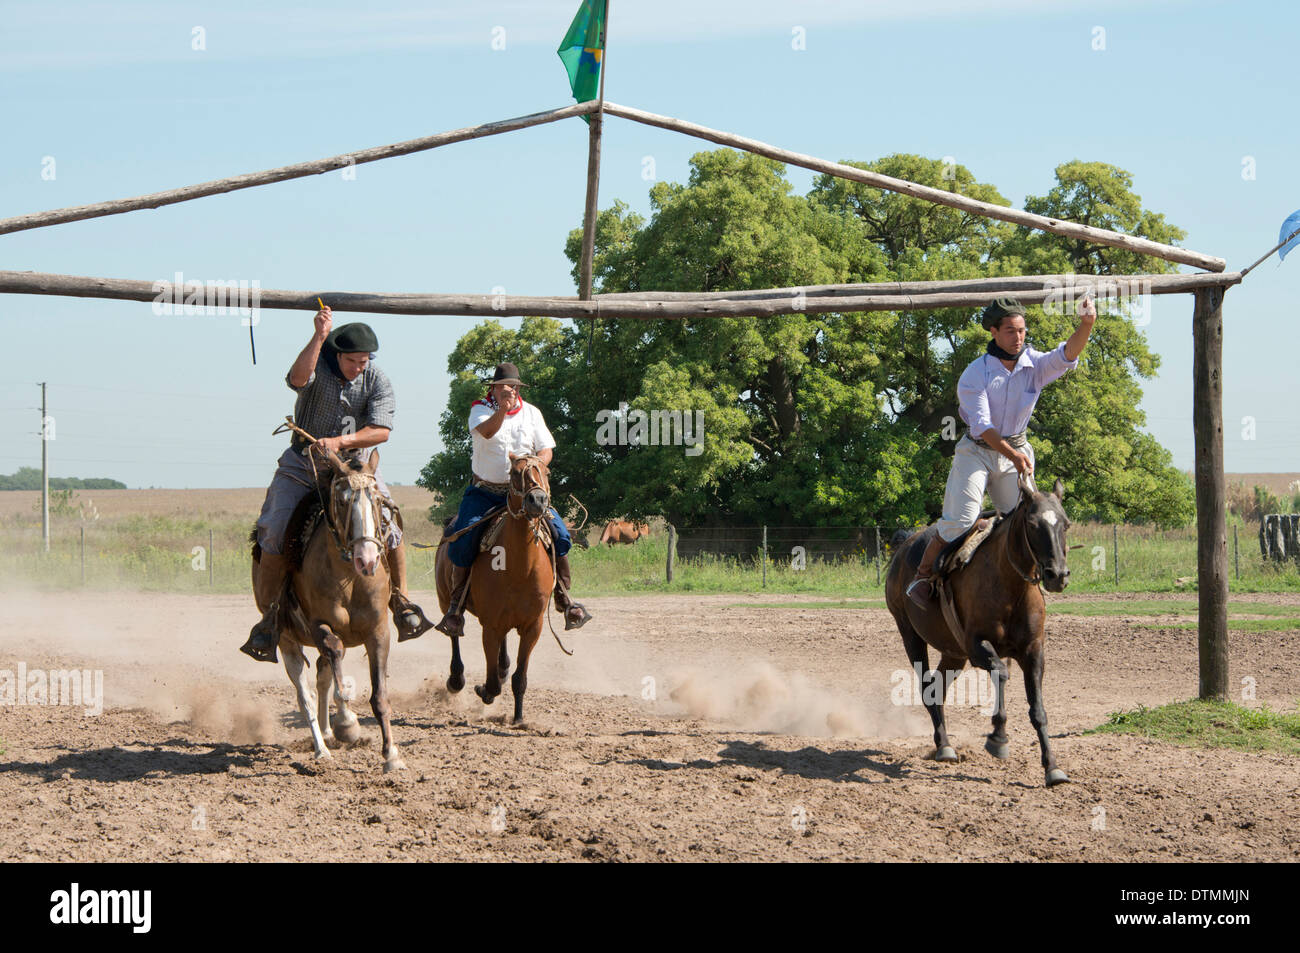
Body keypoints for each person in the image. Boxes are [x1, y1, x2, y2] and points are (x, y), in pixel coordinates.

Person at [241, 305, 432, 661]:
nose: (360, 367)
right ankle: (270, 619)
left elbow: (382, 431)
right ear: (337, 355)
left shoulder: (377, 379)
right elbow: (297, 379)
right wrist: (319, 335)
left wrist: (340, 443)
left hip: (354, 468)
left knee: (390, 524)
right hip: (303, 464)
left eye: (364, 360)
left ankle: (402, 604)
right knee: (273, 528)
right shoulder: (319, 366)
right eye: (353, 361)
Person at [906, 295, 1096, 608]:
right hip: (977, 453)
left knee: (1032, 519)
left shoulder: (1034, 364)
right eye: (1010, 331)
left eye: (1022, 331)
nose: (1018, 337)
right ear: (993, 332)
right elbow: (982, 427)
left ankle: (1040, 577)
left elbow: (1067, 354)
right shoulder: (974, 375)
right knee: (961, 519)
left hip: (1016, 451)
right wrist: (1013, 455)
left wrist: (1086, 324)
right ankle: (923, 577)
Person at [432, 362, 593, 637]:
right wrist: (503, 410)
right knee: (463, 536)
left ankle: (565, 598)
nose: (511, 390)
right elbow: (487, 433)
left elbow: (546, 449)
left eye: (515, 386)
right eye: (505, 386)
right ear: (493, 388)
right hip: (486, 492)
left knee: (560, 534)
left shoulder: (532, 413)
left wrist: (534, 465)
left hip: (525, 493)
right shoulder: (480, 409)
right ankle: (456, 608)